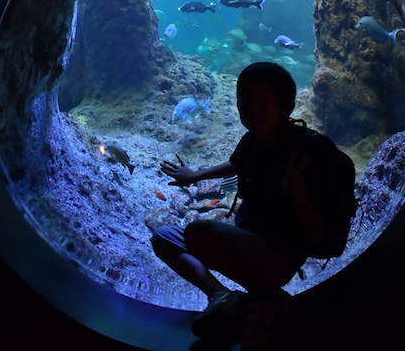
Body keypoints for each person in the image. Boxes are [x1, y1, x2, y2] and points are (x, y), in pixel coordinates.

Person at [151, 62, 355, 347]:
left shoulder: (309, 154)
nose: (251, 108)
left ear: (286, 106)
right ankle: (222, 296)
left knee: (199, 233)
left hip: (280, 255)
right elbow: (236, 164)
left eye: (262, 100)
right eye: (245, 100)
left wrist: (297, 191)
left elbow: (319, 233)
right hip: (249, 241)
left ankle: (268, 298)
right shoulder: (253, 141)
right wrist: (195, 175)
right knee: (164, 238)